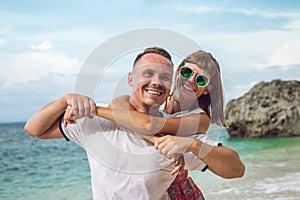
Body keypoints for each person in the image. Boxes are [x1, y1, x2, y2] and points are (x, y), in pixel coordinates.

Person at [24, 47, 212, 199]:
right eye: (148, 73)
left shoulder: (192, 123)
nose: (156, 82)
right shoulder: (97, 121)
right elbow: (34, 129)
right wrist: (65, 100)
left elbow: (146, 124)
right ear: (131, 78)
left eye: (164, 77)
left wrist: (96, 109)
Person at [64, 50, 245, 199]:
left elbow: (148, 125)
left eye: (201, 80)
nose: (190, 81)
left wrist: (93, 109)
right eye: (187, 73)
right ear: (177, 73)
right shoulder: (156, 100)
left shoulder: (199, 118)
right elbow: (125, 111)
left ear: (208, 88)